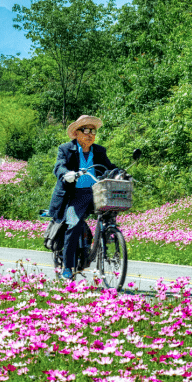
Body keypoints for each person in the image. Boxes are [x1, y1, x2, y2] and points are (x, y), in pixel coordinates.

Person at [50, 115, 116, 280]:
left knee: (110, 211)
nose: (90, 134)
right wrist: (66, 174)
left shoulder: (99, 151)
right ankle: (68, 267)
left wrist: (120, 172)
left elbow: (109, 167)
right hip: (75, 194)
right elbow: (59, 166)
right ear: (76, 133)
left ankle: (107, 237)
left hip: (96, 192)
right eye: (85, 130)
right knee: (74, 224)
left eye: (93, 131)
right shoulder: (66, 149)